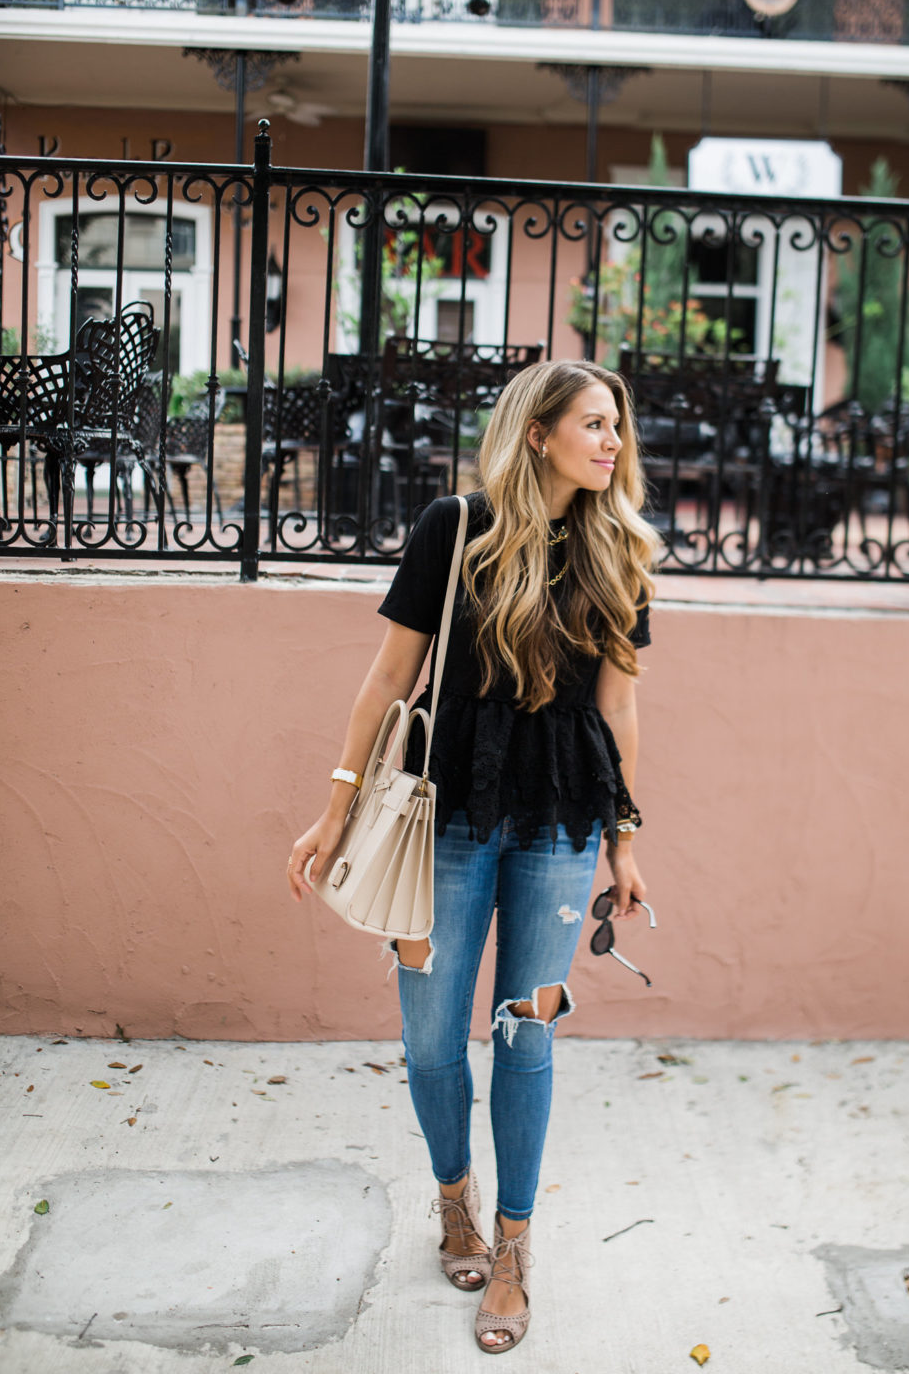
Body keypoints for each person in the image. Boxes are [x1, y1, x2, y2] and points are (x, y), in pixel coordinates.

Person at [286, 360, 658, 1354]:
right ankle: (454, 1194)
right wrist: (335, 813)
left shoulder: (618, 549)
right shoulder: (456, 529)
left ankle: (511, 1245)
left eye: (617, 425)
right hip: (442, 812)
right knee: (433, 1037)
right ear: (536, 434)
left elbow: (619, 707)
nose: (613, 441)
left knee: (526, 1034)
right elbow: (385, 681)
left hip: (561, 821)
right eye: (593, 423)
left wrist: (625, 840)